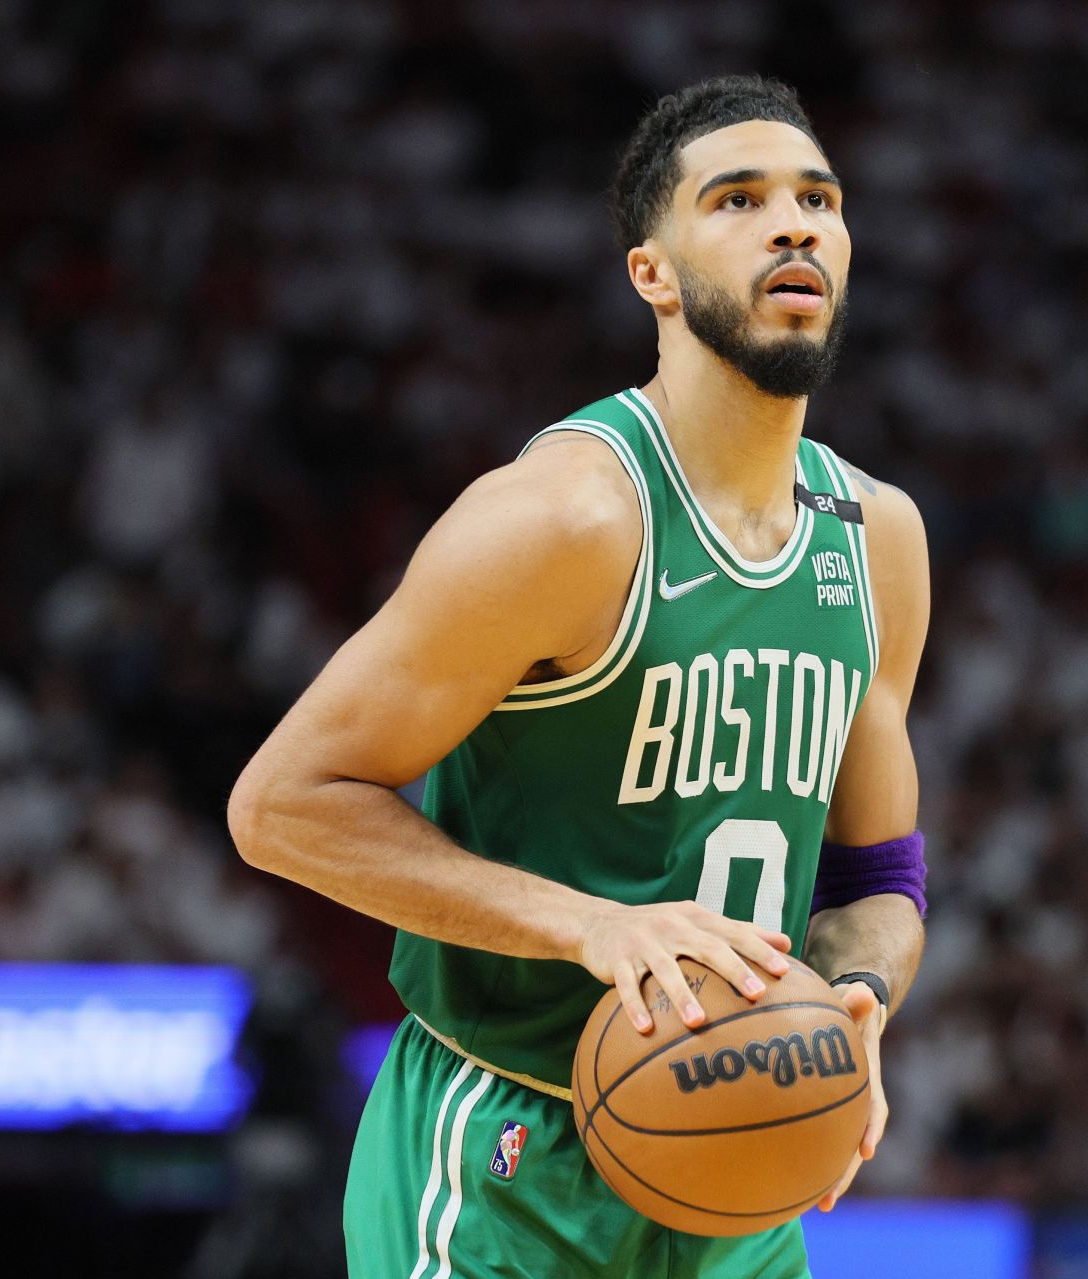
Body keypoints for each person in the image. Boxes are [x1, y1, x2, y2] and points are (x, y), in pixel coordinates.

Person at [228, 75, 930, 1279]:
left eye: (820, 198)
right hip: (505, 1150)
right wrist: (593, 926)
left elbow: (878, 874)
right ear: (651, 272)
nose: (796, 224)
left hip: (738, 1161)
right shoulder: (564, 520)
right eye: (740, 199)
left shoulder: (877, 536)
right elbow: (281, 804)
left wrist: (854, 997)